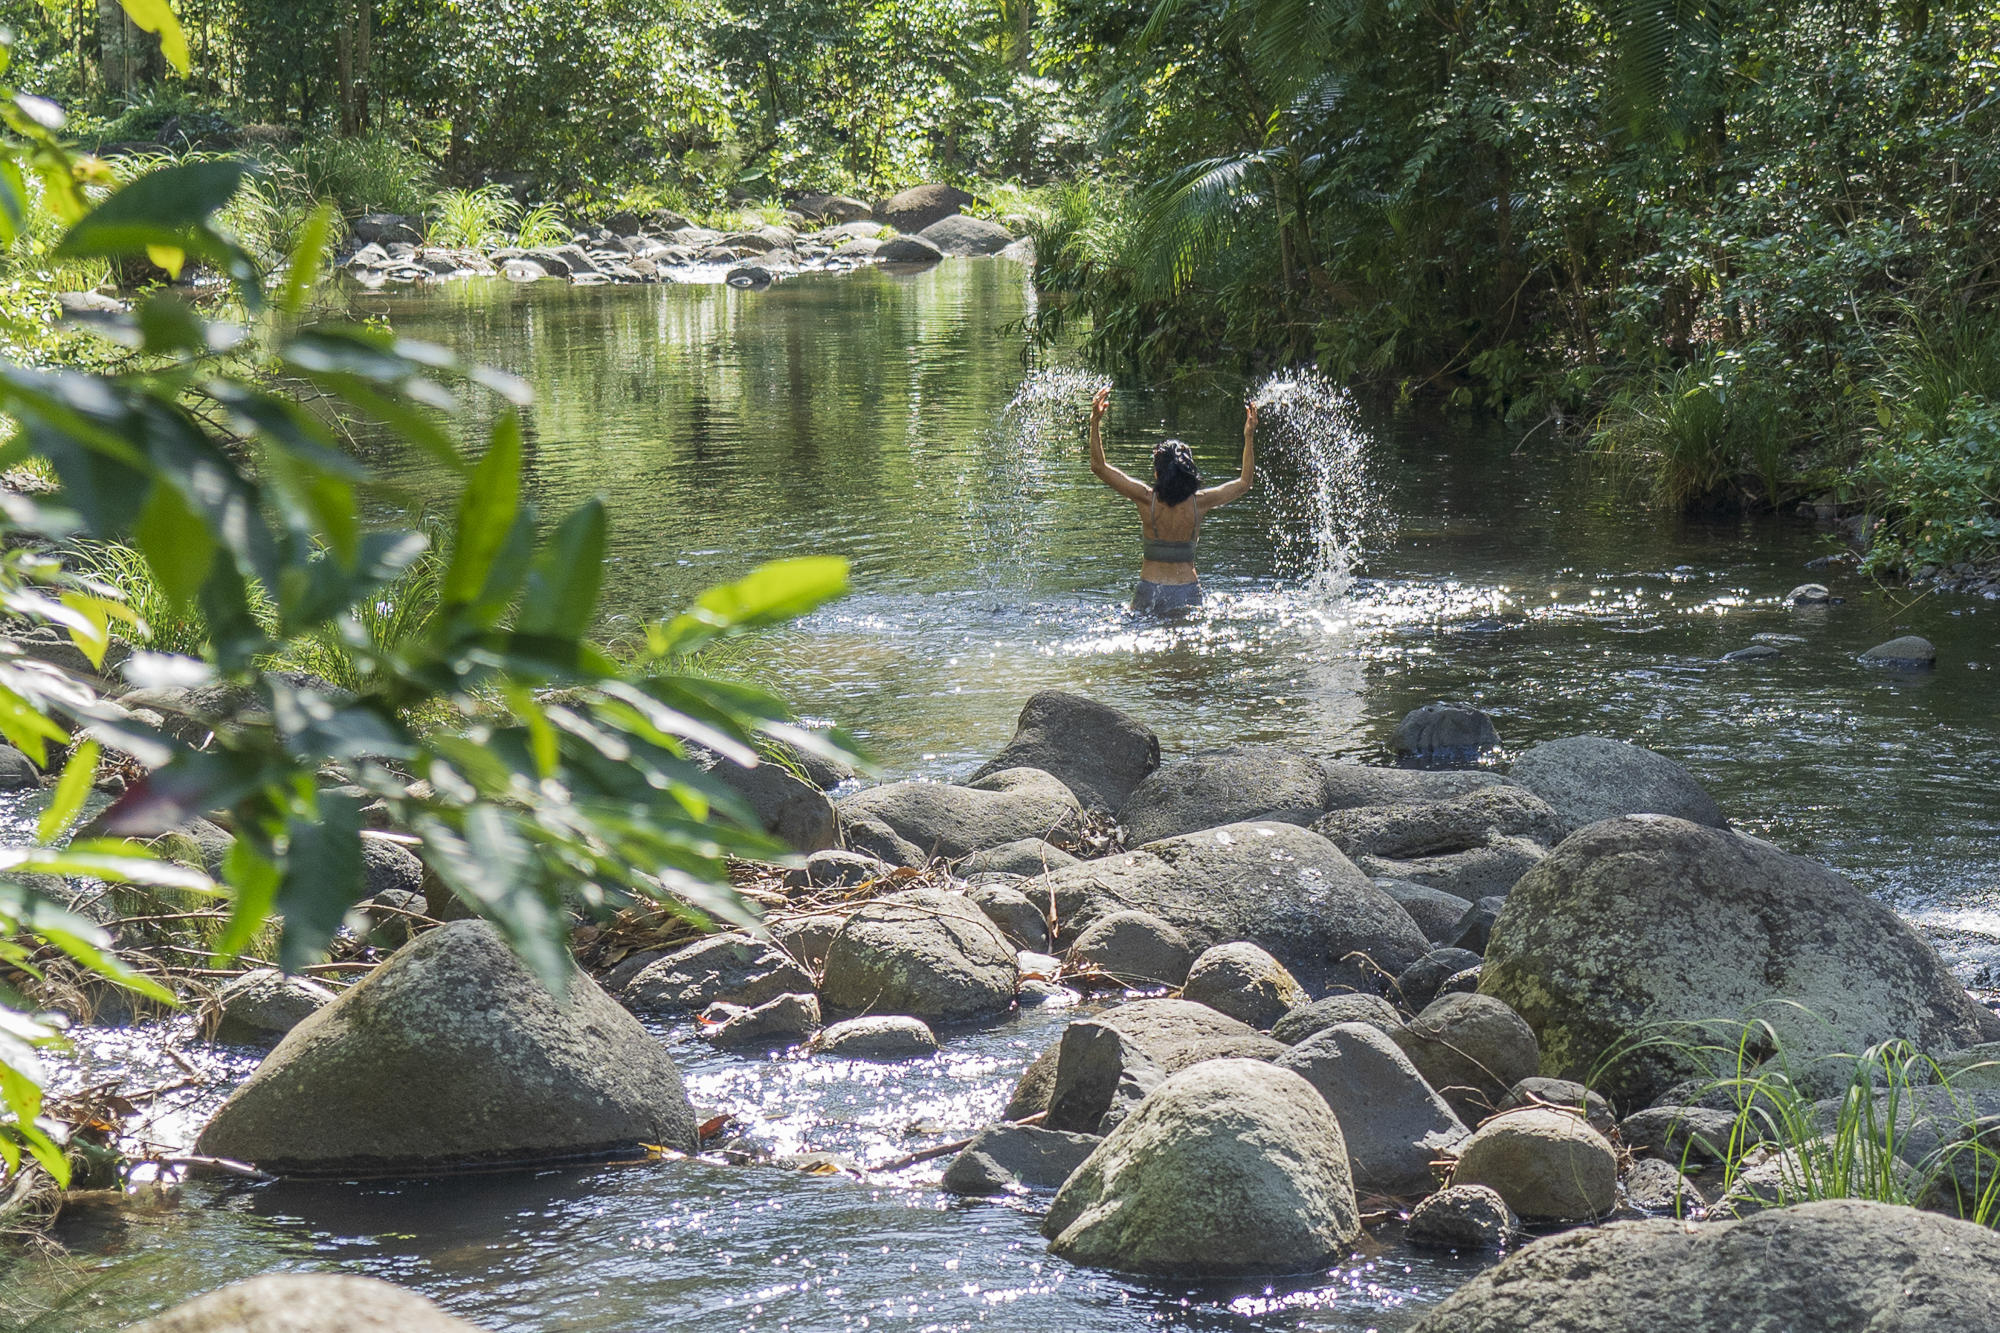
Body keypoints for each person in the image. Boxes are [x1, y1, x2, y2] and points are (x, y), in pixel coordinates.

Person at [1087, 386, 1256, 615]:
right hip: (1186, 590)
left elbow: (1098, 467)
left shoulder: (1145, 499)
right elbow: (1244, 482)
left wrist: (1095, 421)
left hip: (1149, 588)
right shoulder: (1201, 502)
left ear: (1158, 473)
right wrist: (1249, 435)